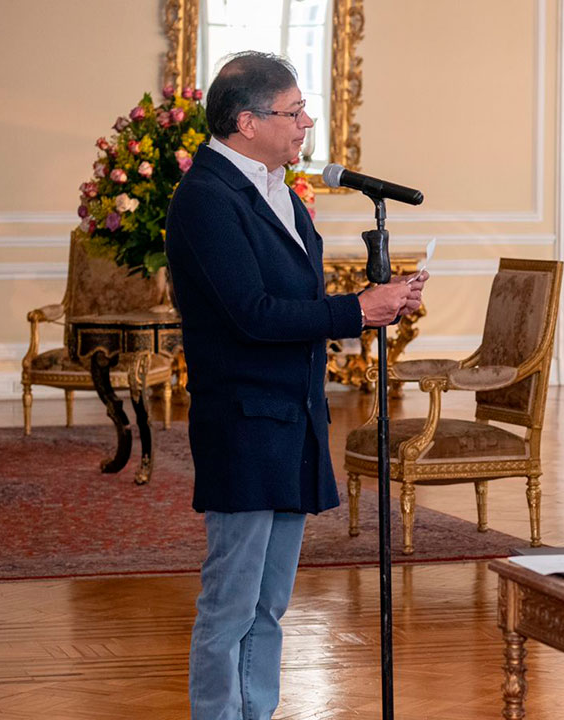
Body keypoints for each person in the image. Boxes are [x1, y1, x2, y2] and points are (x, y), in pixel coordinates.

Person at [165, 51, 427, 719]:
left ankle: (258, 712)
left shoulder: (277, 190)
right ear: (248, 122)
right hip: (244, 423)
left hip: (292, 416)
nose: (307, 122)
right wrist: (354, 310)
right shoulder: (205, 199)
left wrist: (376, 303)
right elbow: (250, 314)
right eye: (294, 111)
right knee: (230, 603)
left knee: (270, 604)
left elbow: (297, 298)